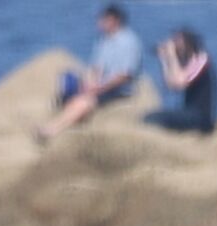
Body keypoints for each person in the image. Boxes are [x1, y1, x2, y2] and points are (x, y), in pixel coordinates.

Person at [41, 7, 145, 137]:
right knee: (69, 88)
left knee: (84, 101)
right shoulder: (104, 41)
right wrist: (87, 83)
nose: (99, 23)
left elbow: (125, 75)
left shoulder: (129, 42)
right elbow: (96, 67)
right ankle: (61, 123)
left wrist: (98, 88)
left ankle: (52, 130)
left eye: (103, 20)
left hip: (118, 90)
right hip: (100, 86)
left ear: (114, 20)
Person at [145, 27, 217, 133]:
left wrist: (172, 56)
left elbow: (180, 83)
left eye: (177, 42)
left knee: (154, 119)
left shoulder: (201, 60)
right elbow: (171, 85)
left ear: (188, 43)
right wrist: (164, 60)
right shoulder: (188, 62)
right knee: (149, 117)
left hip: (201, 117)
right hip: (188, 112)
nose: (175, 46)